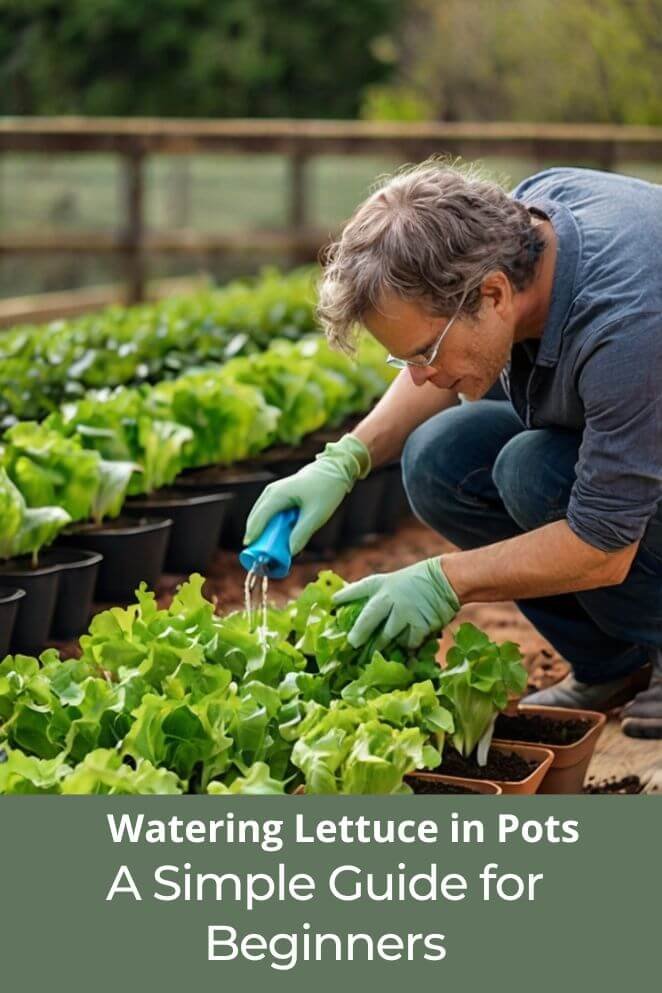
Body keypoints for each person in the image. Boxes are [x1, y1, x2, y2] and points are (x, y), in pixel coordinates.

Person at [244, 161, 662, 739]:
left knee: (530, 471)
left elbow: (603, 545)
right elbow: (434, 363)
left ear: (492, 294)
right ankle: (614, 664)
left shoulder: (630, 323)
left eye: (425, 351)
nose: (419, 376)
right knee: (441, 458)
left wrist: (446, 580)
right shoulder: (524, 224)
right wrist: (342, 461)